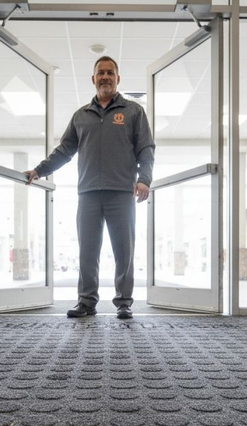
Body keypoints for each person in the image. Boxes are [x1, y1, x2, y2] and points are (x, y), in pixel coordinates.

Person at [24, 56, 154, 320]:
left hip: (121, 193)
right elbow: (65, 150)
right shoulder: (81, 115)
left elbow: (145, 149)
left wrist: (145, 179)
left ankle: (124, 302)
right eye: (100, 73)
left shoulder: (133, 112)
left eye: (110, 72)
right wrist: (40, 170)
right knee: (87, 251)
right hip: (89, 194)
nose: (105, 77)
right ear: (93, 79)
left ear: (118, 79)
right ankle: (86, 302)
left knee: (124, 251)